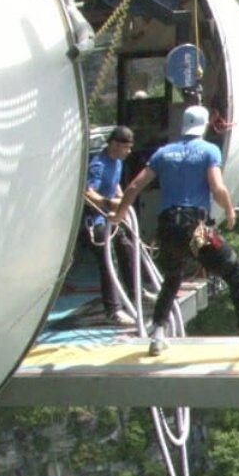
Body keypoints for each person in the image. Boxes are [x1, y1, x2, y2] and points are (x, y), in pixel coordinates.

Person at [110, 105, 239, 358]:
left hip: (166, 228)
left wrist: (120, 214)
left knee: (172, 277)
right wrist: (230, 211)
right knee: (236, 273)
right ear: (204, 126)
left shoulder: (163, 153)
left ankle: (157, 335)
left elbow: (135, 185)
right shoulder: (208, 151)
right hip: (194, 229)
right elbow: (217, 187)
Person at [83, 125, 145, 327]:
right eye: (125, 147)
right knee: (109, 262)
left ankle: (136, 293)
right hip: (97, 221)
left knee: (127, 249)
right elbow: (88, 194)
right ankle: (113, 310)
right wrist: (110, 204)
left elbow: (115, 185)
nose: (128, 152)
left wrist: (122, 202)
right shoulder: (98, 165)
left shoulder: (117, 162)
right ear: (114, 144)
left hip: (112, 219)